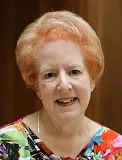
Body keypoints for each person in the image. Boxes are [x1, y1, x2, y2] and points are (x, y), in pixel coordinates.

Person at [0, 10, 122, 160]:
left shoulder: (115, 150)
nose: (64, 85)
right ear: (36, 85)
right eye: (50, 74)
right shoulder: (5, 146)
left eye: (74, 71)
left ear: (92, 79)